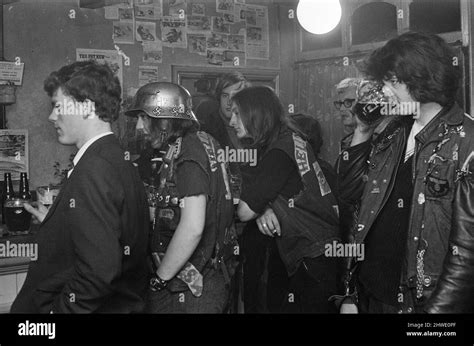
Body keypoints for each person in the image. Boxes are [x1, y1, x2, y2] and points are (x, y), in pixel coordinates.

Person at [337, 31, 474, 313]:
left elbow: (466, 254)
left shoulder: (467, 142)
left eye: (393, 81)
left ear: (422, 79)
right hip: (371, 294)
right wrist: (362, 129)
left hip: (421, 304)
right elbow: (351, 195)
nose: (385, 90)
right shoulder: (393, 130)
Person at [11, 61, 149, 313]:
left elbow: (99, 272)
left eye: (57, 106)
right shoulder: (115, 158)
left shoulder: (95, 167)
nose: (52, 116)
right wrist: (57, 222)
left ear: (86, 107)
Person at [125, 82, 237, 313]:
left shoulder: (189, 152)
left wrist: (160, 278)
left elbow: (193, 227)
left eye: (144, 118)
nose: (139, 126)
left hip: (193, 286)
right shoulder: (201, 142)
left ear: (165, 121)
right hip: (206, 277)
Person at [231, 86, 341, 313]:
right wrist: (266, 207)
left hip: (313, 256)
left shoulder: (278, 152)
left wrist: (259, 208)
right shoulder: (291, 139)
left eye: (236, 113)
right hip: (322, 252)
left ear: (255, 114)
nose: (232, 121)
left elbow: (244, 211)